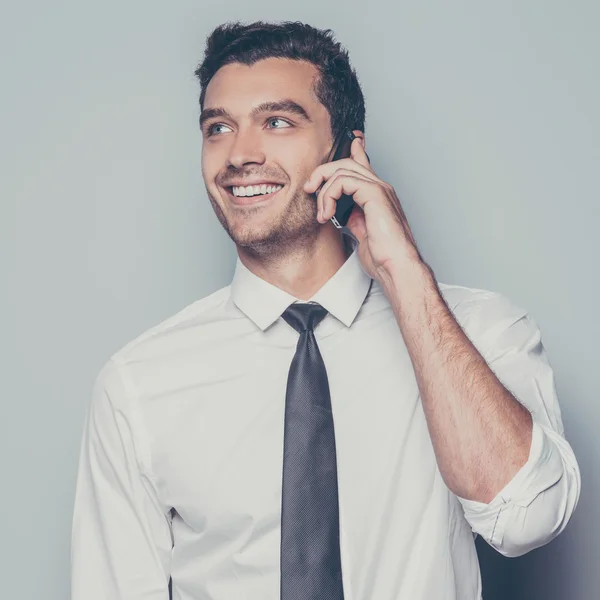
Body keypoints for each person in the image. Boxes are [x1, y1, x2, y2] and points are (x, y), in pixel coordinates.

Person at [70, 20, 581, 600]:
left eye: (278, 121)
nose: (240, 154)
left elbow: (528, 520)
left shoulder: (481, 332)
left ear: (345, 151)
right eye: (218, 128)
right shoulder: (139, 384)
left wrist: (404, 275)